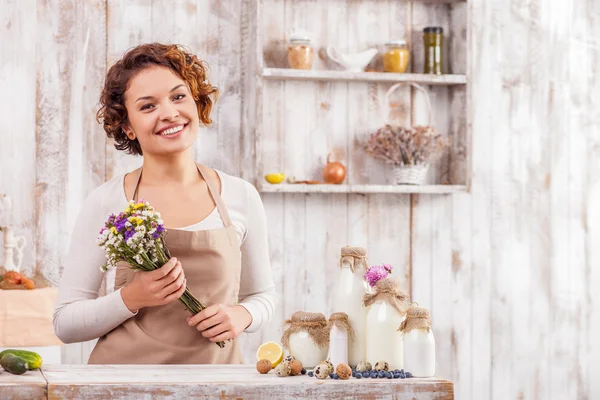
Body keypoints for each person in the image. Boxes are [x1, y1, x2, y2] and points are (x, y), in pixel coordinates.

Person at [53, 43, 277, 364]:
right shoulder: (106, 201)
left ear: (196, 102)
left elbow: (263, 296)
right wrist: (131, 298)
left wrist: (243, 315)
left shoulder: (240, 196)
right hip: (122, 386)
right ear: (127, 126)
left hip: (218, 386)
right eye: (147, 106)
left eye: (178, 96)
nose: (169, 113)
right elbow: (65, 324)